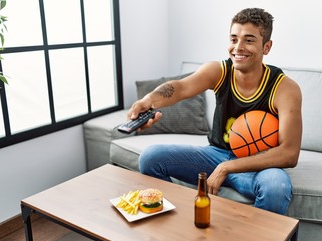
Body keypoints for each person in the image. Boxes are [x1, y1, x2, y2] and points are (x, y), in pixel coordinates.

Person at [127, 8, 302, 215]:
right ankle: (177, 222)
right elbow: (180, 88)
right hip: (215, 154)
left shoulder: (284, 88)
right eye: (234, 39)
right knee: (151, 157)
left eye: (249, 40)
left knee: (276, 187)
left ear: (267, 47)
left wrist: (227, 168)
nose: (238, 47)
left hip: (258, 165)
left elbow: (289, 154)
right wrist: (148, 100)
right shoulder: (219, 71)